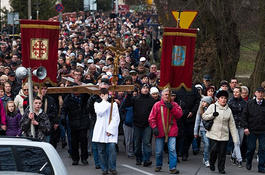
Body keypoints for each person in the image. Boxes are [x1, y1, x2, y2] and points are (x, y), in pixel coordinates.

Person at [202, 90, 238, 174]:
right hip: (213, 134)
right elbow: (204, 116)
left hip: (224, 135)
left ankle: (221, 168)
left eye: (225, 98)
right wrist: (212, 115)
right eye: (222, 98)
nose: (223, 100)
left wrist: (235, 139)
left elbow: (232, 125)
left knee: (222, 153)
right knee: (214, 151)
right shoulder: (212, 106)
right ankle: (212, 163)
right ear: (218, 99)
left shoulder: (228, 110)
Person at [149, 88, 183, 174]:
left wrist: (172, 108)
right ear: (162, 96)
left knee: (172, 150)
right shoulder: (157, 105)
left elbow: (179, 115)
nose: (167, 96)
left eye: (169, 95)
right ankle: (158, 165)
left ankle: (173, 167)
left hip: (171, 130)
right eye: (166, 95)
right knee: (159, 151)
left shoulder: (174, 105)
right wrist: (154, 127)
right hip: (160, 130)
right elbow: (151, 117)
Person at [122, 83, 156, 166]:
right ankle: (138, 158)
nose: (145, 89)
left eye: (147, 88)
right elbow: (125, 105)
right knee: (137, 143)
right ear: (140, 90)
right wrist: (129, 95)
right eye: (143, 88)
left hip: (147, 125)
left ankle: (146, 159)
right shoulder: (135, 98)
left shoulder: (152, 100)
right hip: (137, 124)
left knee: (147, 143)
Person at [61, 83, 90, 166]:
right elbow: (64, 109)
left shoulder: (85, 96)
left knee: (84, 140)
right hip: (73, 122)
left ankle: (84, 158)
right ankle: (75, 158)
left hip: (83, 121)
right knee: (74, 142)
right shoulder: (68, 98)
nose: (77, 93)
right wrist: (63, 118)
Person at [93, 88, 120, 175]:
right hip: (101, 131)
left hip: (110, 131)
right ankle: (104, 168)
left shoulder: (114, 105)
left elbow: (116, 118)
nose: (105, 96)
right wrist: (105, 102)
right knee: (101, 150)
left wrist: (110, 130)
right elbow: (100, 112)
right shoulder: (97, 104)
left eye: (106, 95)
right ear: (100, 96)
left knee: (112, 149)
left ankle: (112, 167)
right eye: (103, 95)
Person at [241, 87, 265, 173]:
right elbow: (244, 116)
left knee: (262, 148)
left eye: (262, 93)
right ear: (255, 93)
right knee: (251, 148)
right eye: (259, 92)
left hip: (263, 130)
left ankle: (261, 166)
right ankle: (249, 161)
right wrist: (246, 127)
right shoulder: (249, 103)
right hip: (252, 130)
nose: (260, 94)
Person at [228, 86, 246, 167]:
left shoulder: (244, 103)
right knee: (237, 142)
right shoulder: (230, 102)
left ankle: (233, 155)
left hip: (241, 123)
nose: (235, 93)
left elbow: (245, 113)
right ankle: (239, 159)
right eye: (234, 92)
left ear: (240, 93)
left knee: (240, 142)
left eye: (237, 92)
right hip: (233, 123)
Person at [194, 96, 213, 168]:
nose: (203, 103)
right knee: (207, 144)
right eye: (202, 101)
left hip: (211, 129)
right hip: (203, 129)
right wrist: (195, 132)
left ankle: (208, 157)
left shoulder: (212, 109)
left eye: (205, 102)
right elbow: (197, 121)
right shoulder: (200, 110)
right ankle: (206, 159)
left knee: (211, 145)